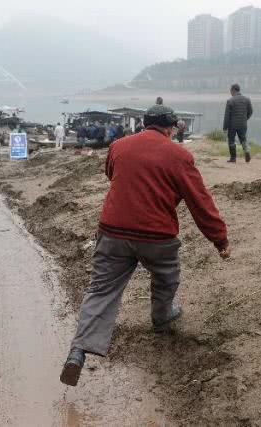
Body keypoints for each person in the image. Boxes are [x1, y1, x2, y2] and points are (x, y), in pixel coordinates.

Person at [59, 104, 231, 387]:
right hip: (156, 236)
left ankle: (78, 351)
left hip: (112, 231)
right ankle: (162, 319)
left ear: (144, 123)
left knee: (101, 290)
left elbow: (112, 174)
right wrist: (219, 240)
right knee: (165, 278)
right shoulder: (180, 155)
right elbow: (200, 201)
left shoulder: (118, 146)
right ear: (170, 127)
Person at [223, 83, 253, 163]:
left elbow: (227, 116)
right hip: (243, 124)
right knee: (243, 139)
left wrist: (225, 127)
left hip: (232, 125)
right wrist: (245, 119)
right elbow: (250, 112)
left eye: (230, 90)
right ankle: (247, 152)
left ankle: (233, 158)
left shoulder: (230, 101)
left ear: (233, 90)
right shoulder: (247, 99)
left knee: (231, 140)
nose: (230, 92)